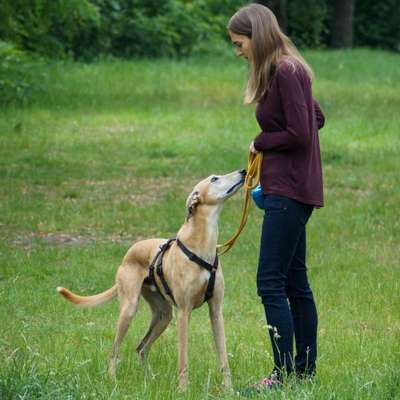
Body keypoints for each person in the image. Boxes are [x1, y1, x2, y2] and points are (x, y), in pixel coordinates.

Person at [228, 3, 325, 391]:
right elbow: (315, 118)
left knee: (270, 282)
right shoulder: (287, 70)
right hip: (293, 187)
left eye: (240, 44)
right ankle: (304, 373)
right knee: (295, 284)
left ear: (258, 35)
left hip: (289, 190)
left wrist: (260, 141)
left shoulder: (286, 70)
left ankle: (283, 375)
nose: (238, 52)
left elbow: (302, 131)